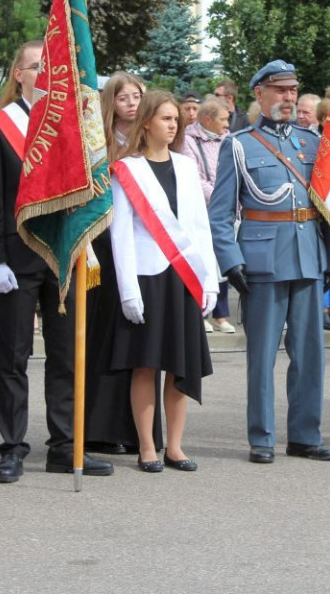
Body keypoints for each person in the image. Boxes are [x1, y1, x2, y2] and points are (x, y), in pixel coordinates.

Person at [0, 40, 113, 483]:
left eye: (51, 67)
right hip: (16, 256)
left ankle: (64, 446)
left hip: (63, 252)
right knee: (14, 357)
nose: (44, 74)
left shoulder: (71, 125)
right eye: (36, 66)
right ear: (18, 74)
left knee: (66, 355)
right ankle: (12, 446)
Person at [208, 59, 330, 464]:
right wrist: (231, 260)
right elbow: (220, 214)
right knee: (262, 356)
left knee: (310, 355)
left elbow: (325, 207)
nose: (288, 97)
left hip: (308, 258)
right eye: (280, 90)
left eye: (292, 90)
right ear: (259, 94)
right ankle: (262, 437)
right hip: (261, 260)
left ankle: (305, 435)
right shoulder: (239, 145)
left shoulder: (312, 142)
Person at [109, 90, 217, 472]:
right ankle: (146, 447)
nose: (174, 125)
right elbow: (121, 234)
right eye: (166, 119)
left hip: (184, 275)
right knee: (145, 365)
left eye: (176, 120)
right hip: (147, 277)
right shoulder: (127, 169)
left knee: (179, 363)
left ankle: (175, 446)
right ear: (147, 122)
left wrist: (210, 280)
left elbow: (199, 226)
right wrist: (128, 291)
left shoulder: (186, 167)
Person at [85, 70, 150, 456]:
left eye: (137, 96)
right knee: (103, 335)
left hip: (142, 245)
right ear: (111, 101)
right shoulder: (100, 142)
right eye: (123, 97)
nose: (131, 104)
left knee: (136, 340)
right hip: (104, 245)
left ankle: (133, 429)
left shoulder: (148, 141)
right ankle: (98, 427)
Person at [181, 95, 236, 334]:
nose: (227, 124)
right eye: (222, 119)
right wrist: (222, 198)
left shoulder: (229, 140)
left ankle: (221, 315)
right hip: (202, 209)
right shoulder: (188, 140)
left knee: (222, 260)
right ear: (207, 119)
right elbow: (194, 177)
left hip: (225, 211)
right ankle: (200, 312)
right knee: (202, 261)